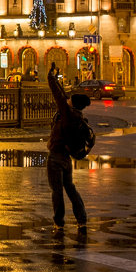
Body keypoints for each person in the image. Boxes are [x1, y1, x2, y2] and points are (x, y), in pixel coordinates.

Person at [47, 62, 89, 228]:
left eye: (70, 99)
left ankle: (59, 222)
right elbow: (63, 95)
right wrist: (56, 76)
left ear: (72, 103)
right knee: (70, 188)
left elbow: (57, 94)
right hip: (66, 158)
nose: (68, 99)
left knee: (57, 191)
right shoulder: (78, 116)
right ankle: (82, 219)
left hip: (56, 157)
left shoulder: (67, 114)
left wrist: (51, 76)